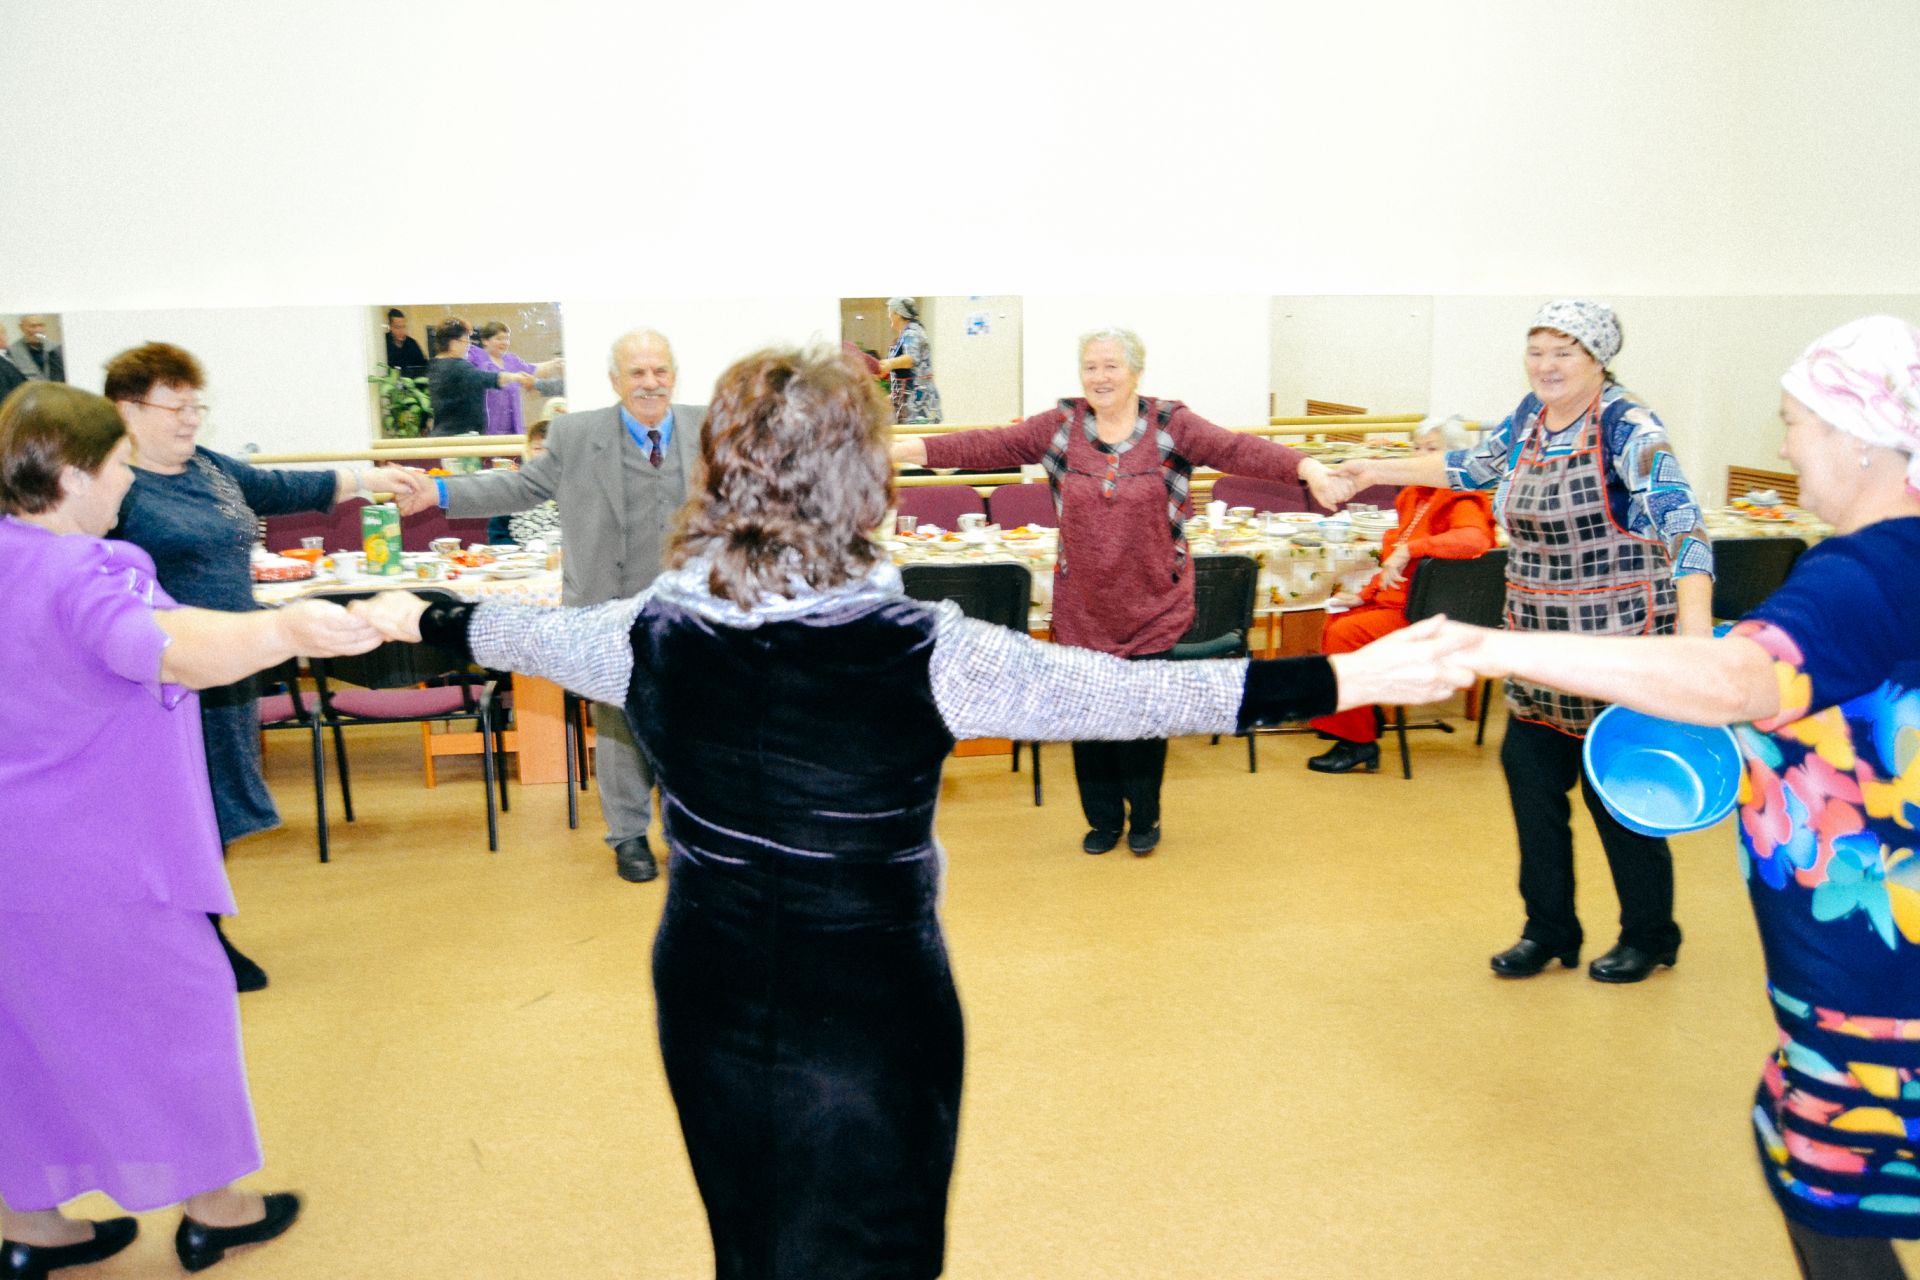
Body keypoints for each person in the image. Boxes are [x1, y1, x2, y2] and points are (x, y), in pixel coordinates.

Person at [352, 344, 1474, 1280]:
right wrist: (1345, 679)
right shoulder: (924, 647)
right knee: (881, 1246)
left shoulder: (647, 628)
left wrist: (416, 607)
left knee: (752, 1241)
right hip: (871, 1006)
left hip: (709, 984)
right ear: (861, 483)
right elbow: (1141, 692)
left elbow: (502, 630)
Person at [1440, 315, 1920, 1280]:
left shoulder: (1868, 567)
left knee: (1832, 1189)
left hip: (1878, 979)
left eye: (1795, 422)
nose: (1784, 445)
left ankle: (1644, 929)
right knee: (1794, 1138)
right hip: (1871, 958)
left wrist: (1478, 647)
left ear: (1859, 436)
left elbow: (1747, 681)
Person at [0, 383, 383, 1276]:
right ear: (70, 476)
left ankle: (32, 1226)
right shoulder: (85, 573)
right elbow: (165, 646)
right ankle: (220, 1209)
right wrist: (286, 629)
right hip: (109, 856)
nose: (127, 487)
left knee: (24, 1033)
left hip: (14, 860)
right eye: (119, 469)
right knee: (181, 1022)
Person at [1333, 300, 1715, 983]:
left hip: (1614, 654)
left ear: (1597, 360)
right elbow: (1468, 468)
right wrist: (1370, 467)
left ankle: (1652, 933)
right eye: (1537, 350)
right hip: (1536, 653)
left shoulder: (1629, 426)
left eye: (1563, 352)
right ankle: (1549, 930)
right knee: (1534, 800)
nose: (1547, 365)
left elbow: (1685, 530)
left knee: (1620, 805)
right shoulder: (1528, 421)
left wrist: (1691, 642)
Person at [891, 326, 1353, 856]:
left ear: (1135, 371)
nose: (1100, 377)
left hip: (1154, 600)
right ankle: (1103, 821)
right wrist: (903, 446)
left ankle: (1145, 817)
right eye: (1091, 367)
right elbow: (980, 445)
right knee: (1089, 717)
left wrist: (1307, 465)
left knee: (1143, 716)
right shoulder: (1061, 427)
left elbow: (1238, 448)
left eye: (1111, 366)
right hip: (1083, 605)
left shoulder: (1170, 427)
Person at [104, 342, 424, 991]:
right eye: (176, 406)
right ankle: (183, 939)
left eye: (197, 405)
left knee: (212, 803)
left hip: (229, 669)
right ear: (127, 408)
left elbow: (283, 488)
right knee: (169, 808)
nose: (191, 418)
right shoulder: (112, 490)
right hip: (162, 677)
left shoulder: (207, 469)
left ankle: (205, 932)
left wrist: (370, 479)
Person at [399, 329, 701, 884]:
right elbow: (521, 489)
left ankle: (692, 837)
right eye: (637, 373)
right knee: (619, 727)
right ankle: (628, 837)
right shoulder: (576, 433)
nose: (650, 383)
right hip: (608, 609)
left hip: (696, 609)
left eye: (659, 371)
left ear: (673, 376)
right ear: (615, 381)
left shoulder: (713, 427)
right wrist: (440, 493)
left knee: (699, 728)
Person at [1305, 415, 1496, 772]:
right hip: (1407, 602)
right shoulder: (1414, 495)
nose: (1420, 457)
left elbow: (1474, 541)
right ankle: (1361, 713)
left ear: (1455, 456)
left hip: (1433, 613)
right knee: (1337, 620)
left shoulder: (1460, 497)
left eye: (1432, 449)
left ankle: (1357, 741)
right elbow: (1398, 568)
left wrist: (1411, 549)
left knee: (1346, 635)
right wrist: (1366, 594)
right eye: (1418, 448)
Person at [427, 317, 533, 436]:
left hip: (446, 434)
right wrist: (514, 377)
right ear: (454, 344)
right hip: (459, 438)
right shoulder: (457, 366)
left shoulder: (435, 365)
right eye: (466, 342)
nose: (468, 346)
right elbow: (485, 378)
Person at [464, 320, 563, 436]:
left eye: (506, 339)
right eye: (499, 338)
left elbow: (532, 371)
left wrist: (554, 364)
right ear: (485, 341)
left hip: (511, 429)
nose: (504, 342)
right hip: (484, 428)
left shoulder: (511, 360)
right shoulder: (476, 357)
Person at [484, 414, 563, 546]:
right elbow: (497, 535)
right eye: (538, 448)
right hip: (519, 560)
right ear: (528, 451)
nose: (544, 454)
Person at [879, 297, 942, 424]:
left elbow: (911, 359)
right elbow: (905, 376)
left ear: (897, 314)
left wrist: (889, 364)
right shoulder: (906, 334)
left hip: (918, 404)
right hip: (909, 402)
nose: (888, 316)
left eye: (890, 312)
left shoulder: (912, 332)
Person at [6, 315, 64, 384]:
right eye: (33, 326)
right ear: (21, 327)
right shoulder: (11, 352)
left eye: (41, 325)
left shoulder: (57, 348)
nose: (37, 330)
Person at [381, 307, 429, 378]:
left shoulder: (412, 344)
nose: (402, 331)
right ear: (390, 327)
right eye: (398, 327)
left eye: (403, 327)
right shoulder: (383, 342)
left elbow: (423, 366)